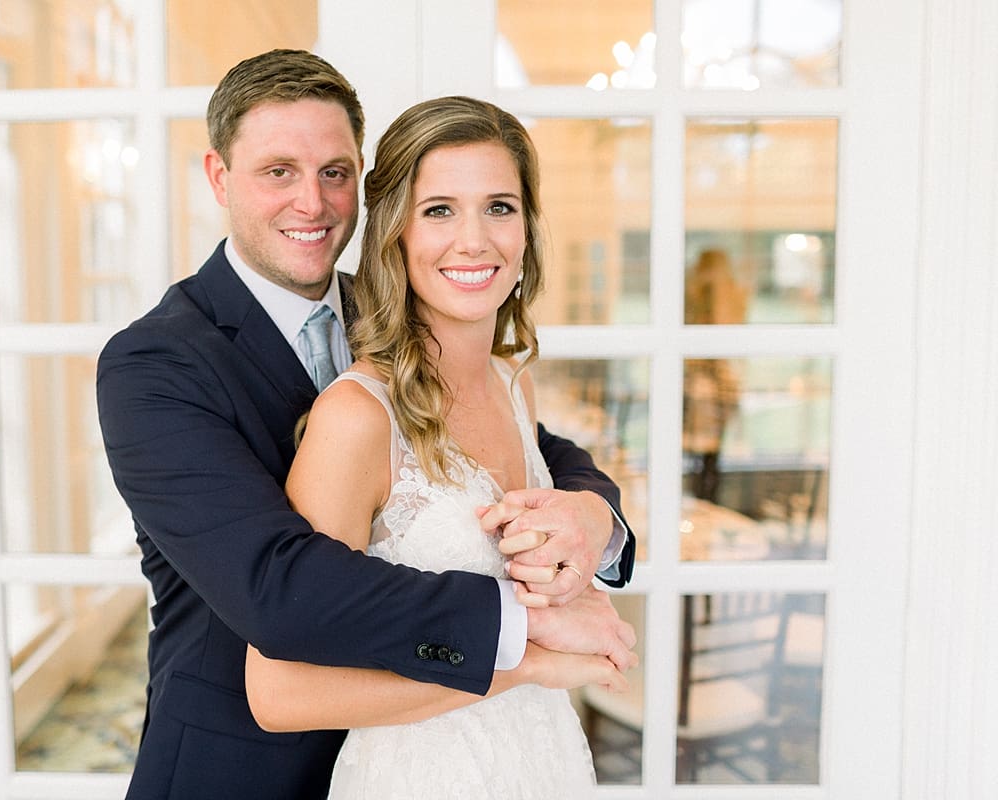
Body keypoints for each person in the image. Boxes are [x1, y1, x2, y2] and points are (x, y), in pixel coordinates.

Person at [97, 50, 636, 799]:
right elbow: (278, 588)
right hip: (243, 767)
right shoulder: (155, 365)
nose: (312, 203)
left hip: (437, 745)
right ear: (220, 177)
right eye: (278, 170)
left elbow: (519, 450)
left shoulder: (403, 308)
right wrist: (529, 634)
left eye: (335, 172)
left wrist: (593, 513)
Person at [243, 94, 619, 797]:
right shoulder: (357, 417)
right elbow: (280, 693)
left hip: (543, 762)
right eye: (440, 209)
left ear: (528, 230)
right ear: (396, 233)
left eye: (499, 207)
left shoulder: (514, 386)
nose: (474, 240)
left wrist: (595, 523)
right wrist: (529, 661)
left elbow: (567, 515)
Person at [682, 248, 747, 502]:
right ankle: (701, 500)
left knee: (708, 454)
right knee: (704, 453)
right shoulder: (705, 293)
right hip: (705, 377)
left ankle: (704, 501)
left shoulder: (717, 293)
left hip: (712, 379)